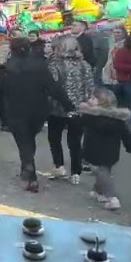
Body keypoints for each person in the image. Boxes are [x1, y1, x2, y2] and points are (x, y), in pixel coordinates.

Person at [2, 37, 75, 193]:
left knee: (23, 142)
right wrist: (69, 106)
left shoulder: (6, 68)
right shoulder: (40, 66)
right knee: (30, 138)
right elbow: (54, 89)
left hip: (16, 110)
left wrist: (3, 115)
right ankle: (27, 167)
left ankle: (30, 172)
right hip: (38, 110)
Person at [77, 87, 131, 210]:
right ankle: (98, 191)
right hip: (112, 151)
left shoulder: (90, 117)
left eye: (93, 98)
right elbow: (126, 135)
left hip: (94, 150)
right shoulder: (118, 120)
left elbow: (76, 123)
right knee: (105, 170)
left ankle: (112, 198)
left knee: (101, 172)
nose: (90, 99)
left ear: (102, 102)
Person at [46, 35, 95, 184]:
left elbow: (51, 88)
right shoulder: (84, 64)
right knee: (75, 141)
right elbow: (90, 87)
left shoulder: (54, 65)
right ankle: (76, 172)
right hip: (79, 108)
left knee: (54, 138)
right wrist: (86, 103)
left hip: (57, 108)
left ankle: (59, 166)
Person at [0, 28, 23, 132]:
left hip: (15, 75)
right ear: (12, 37)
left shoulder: (22, 47)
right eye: (19, 36)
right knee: (4, 101)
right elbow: (2, 62)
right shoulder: (5, 47)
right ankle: (5, 123)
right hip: (4, 75)